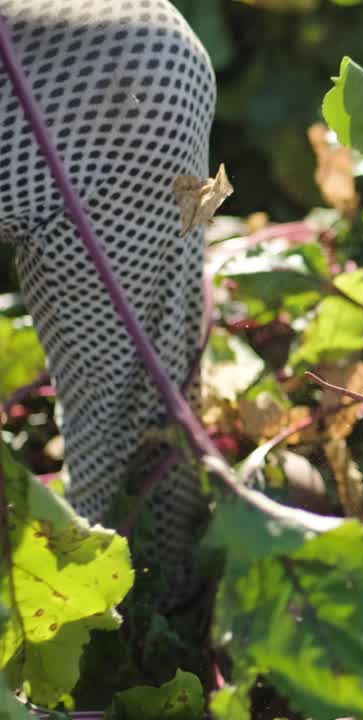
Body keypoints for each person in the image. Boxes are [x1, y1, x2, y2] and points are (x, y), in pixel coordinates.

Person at [0, 0, 215, 609]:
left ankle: (124, 612)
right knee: (139, 389)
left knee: (129, 409)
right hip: (130, 62)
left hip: (106, 85)